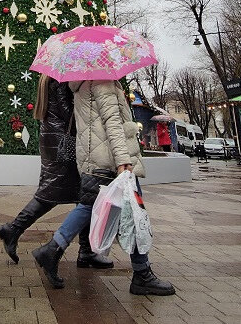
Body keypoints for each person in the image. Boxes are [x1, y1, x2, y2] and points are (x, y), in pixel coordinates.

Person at [32, 79, 175, 296]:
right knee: (134, 214)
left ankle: (52, 250)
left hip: (94, 156)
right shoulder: (102, 81)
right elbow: (112, 122)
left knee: (89, 206)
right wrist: (122, 160)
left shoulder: (82, 83)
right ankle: (142, 274)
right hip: (112, 159)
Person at [0, 75, 112, 269]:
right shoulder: (60, 80)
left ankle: (86, 252)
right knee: (51, 193)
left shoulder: (50, 78)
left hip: (54, 139)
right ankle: (13, 229)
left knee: (82, 195)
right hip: (63, 143)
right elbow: (68, 113)